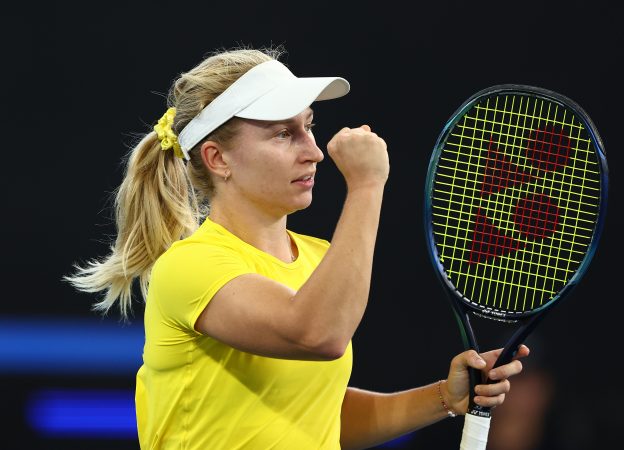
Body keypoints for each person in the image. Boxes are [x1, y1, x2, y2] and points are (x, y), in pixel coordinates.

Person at [65, 47, 528, 450]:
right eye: (283, 133)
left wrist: (446, 397)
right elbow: (319, 334)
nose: (314, 151)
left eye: (308, 127)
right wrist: (367, 185)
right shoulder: (189, 266)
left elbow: (321, 420)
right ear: (218, 158)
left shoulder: (319, 257)